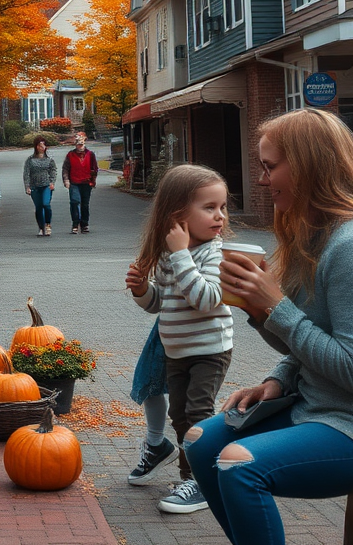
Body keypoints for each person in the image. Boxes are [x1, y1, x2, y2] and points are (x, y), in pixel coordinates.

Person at [185, 109, 353, 545]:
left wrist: (275, 306)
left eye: (269, 165)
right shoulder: (308, 238)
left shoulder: (347, 247)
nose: (261, 179)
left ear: (308, 164)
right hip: (312, 405)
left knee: (238, 464)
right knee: (201, 442)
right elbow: (310, 341)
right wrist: (276, 375)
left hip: (344, 421)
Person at [126, 164, 233, 514]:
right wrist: (143, 290)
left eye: (222, 207)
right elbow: (161, 304)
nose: (219, 216)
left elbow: (206, 298)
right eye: (209, 207)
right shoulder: (173, 256)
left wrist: (181, 253)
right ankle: (195, 475)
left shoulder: (211, 252)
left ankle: (201, 481)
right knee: (180, 416)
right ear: (177, 214)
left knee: (197, 413)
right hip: (177, 351)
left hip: (209, 350)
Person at [127, 319, 177, 486]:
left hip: (203, 338)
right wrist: (143, 293)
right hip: (168, 324)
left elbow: (209, 299)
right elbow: (153, 302)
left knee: (193, 405)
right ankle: (156, 445)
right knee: (147, 381)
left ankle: (196, 477)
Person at [62, 132, 98, 233]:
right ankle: (75, 223)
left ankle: (84, 224)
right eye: (78, 145)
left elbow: (94, 168)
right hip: (74, 182)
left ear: (84, 144)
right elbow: (65, 168)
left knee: (85, 204)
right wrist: (66, 180)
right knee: (74, 201)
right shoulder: (70, 155)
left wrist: (93, 180)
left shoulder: (90, 154)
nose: (80, 147)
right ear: (75, 145)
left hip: (86, 182)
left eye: (81, 145)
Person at [23, 135, 57, 236]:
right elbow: (26, 173)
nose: (41, 148)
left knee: (46, 204)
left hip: (46, 185)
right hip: (34, 186)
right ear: (36, 147)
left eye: (43, 145)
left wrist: (52, 182)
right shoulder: (30, 160)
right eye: (39, 145)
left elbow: (53, 170)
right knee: (38, 207)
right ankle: (41, 227)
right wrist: (27, 186)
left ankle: (47, 224)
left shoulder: (49, 159)